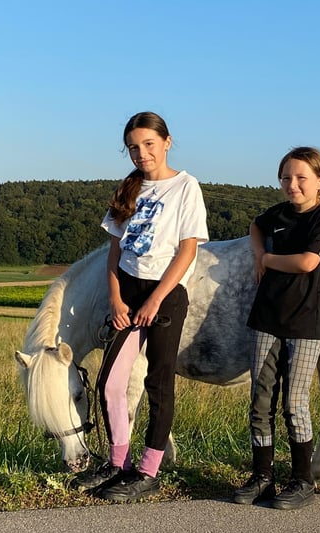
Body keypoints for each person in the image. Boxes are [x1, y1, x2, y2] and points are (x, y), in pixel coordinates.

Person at [76, 111, 209, 502]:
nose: (141, 153)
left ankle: (148, 469)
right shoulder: (129, 188)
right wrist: (116, 299)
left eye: (149, 144)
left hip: (165, 294)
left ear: (167, 142)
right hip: (128, 293)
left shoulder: (186, 187)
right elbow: (114, 251)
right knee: (110, 384)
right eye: (134, 147)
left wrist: (155, 299)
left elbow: (187, 250)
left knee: (158, 382)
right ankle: (119, 463)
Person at [233, 146, 320, 510]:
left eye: (300, 178)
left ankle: (302, 480)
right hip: (266, 317)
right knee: (260, 401)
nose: (292, 185)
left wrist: (267, 259)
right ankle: (263, 476)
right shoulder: (277, 214)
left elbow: (309, 262)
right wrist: (257, 249)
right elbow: (255, 226)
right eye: (285, 178)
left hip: (304, 322)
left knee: (294, 403)